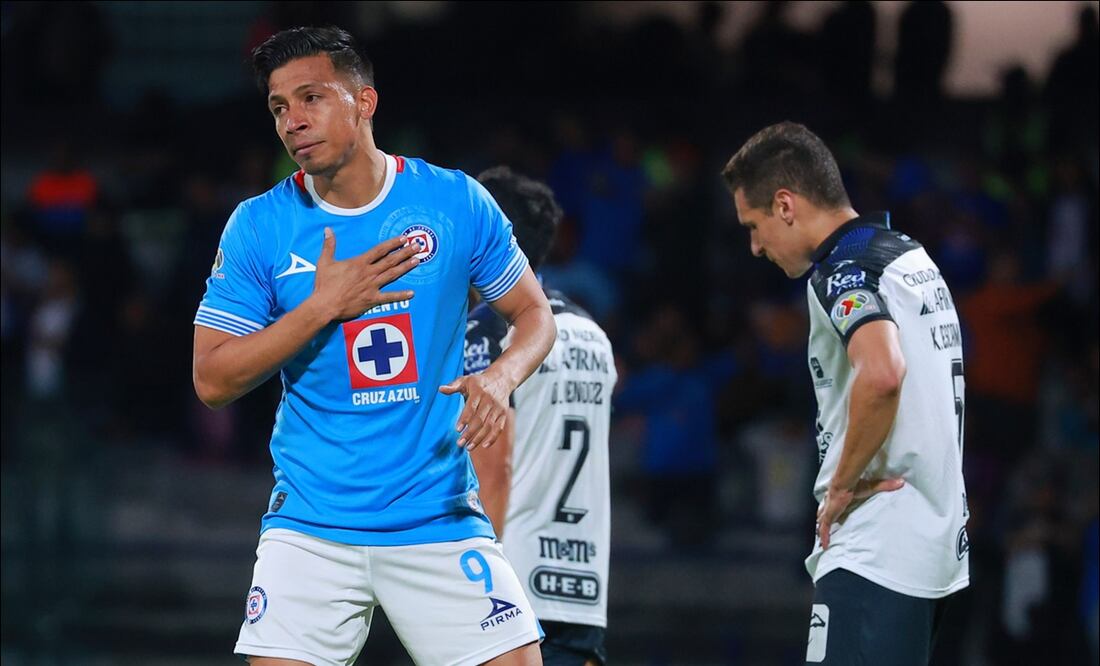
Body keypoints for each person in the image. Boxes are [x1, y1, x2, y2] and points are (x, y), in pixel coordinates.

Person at [191, 26, 556, 666]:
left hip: (436, 514)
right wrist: (323, 306)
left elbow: (534, 315)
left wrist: (499, 379)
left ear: (365, 103)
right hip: (310, 524)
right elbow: (213, 380)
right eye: (279, 107)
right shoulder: (259, 225)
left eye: (311, 98)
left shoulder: (453, 201)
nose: (293, 121)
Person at [721, 122, 969, 665]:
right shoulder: (910, 257)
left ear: (785, 204)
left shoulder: (843, 270)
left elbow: (882, 373)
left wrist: (840, 484)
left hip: (878, 548)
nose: (756, 246)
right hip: (935, 547)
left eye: (755, 225)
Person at [464, 167, 617, 666]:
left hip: (511, 590)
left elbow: (495, 463)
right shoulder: (593, 333)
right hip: (583, 588)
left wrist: (473, 589)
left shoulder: (490, 333)